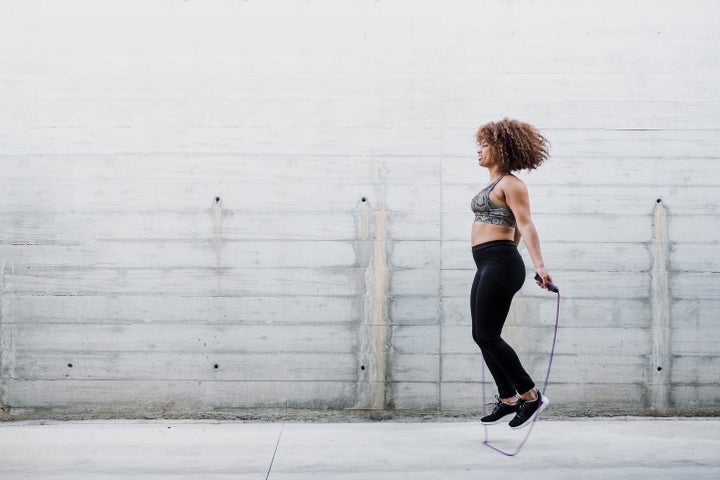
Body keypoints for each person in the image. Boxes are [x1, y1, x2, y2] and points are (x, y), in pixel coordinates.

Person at [470, 118, 553, 429]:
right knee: (481, 335)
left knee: (488, 335)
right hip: (489, 262)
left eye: (485, 144)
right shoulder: (493, 185)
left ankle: (531, 396)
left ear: (501, 148)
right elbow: (515, 229)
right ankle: (507, 398)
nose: (479, 150)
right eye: (478, 144)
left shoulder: (512, 184)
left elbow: (526, 224)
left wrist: (539, 266)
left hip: (500, 262)